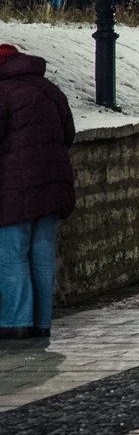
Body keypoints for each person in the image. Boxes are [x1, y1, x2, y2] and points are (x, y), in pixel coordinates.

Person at [0, 43, 76, 342]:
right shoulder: (50, 89)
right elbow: (68, 135)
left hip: (13, 188)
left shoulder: (3, 92)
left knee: (11, 253)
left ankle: (15, 322)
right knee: (42, 255)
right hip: (53, 187)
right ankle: (41, 323)